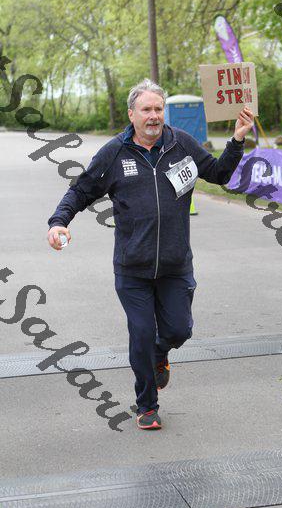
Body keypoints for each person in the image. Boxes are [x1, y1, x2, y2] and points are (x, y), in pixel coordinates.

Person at [47, 78, 255, 430]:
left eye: (158, 109)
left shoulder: (181, 143)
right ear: (132, 114)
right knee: (141, 335)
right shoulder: (114, 153)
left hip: (175, 264)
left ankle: (161, 352)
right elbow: (81, 191)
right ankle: (147, 405)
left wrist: (236, 139)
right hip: (133, 268)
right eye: (146, 109)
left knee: (179, 330)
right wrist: (59, 222)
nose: (154, 116)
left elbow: (218, 173)